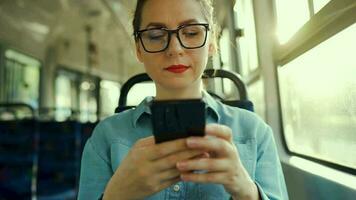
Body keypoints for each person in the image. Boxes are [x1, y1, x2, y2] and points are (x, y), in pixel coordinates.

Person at [78, 0, 289, 199]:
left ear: (211, 42)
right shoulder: (106, 137)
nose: (175, 49)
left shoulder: (255, 133)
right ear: (139, 48)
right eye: (155, 35)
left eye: (191, 32)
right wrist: (116, 194)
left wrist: (247, 191)